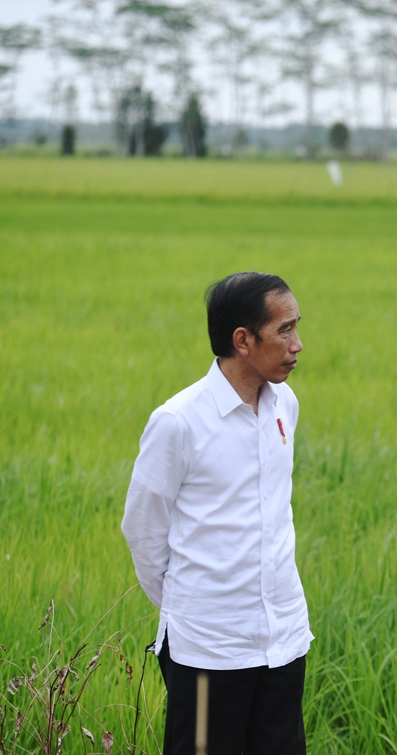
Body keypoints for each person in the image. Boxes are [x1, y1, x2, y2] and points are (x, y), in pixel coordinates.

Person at [122, 272, 311, 755]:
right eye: (284, 330)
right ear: (242, 341)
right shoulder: (178, 422)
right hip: (208, 652)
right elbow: (142, 529)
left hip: (283, 639)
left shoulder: (283, 404)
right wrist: (191, 606)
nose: (298, 344)